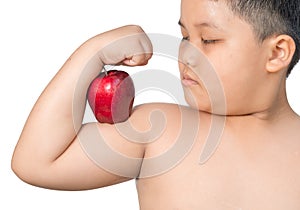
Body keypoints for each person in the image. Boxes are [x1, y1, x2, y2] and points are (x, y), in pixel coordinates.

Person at [12, 0, 300, 209]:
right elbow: (37, 162)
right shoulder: (160, 130)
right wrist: (92, 54)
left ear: (277, 52)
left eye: (209, 39)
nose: (186, 53)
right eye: (185, 36)